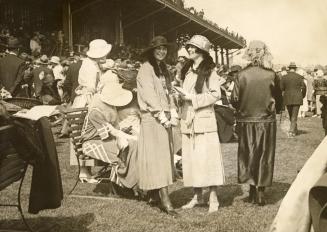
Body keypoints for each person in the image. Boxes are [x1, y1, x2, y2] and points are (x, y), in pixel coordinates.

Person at [178, 35, 226, 213]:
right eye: (189, 47)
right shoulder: (187, 71)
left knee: (209, 160)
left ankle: (213, 198)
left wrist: (193, 98)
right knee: (191, 160)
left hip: (204, 122)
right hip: (188, 121)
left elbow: (215, 95)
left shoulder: (211, 72)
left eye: (194, 48)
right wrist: (180, 96)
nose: (190, 50)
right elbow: (186, 94)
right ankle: (197, 196)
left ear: (202, 52)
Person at [231, 40, 282, 206]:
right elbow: (279, 99)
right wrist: (275, 109)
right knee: (264, 155)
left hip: (246, 120)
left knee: (248, 154)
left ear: (249, 53)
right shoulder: (272, 74)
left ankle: (253, 191)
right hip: (266, 120)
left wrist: (243, 108)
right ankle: (260, 193)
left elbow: (234, 99)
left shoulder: (241, 74)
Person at [136, 36, 178, 216]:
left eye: (164, 48)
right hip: (152, 117)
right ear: (152, 51)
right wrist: (161, 114)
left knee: (162, 155)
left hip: (164, 115)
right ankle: (165, 199)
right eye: (158, 48)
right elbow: (149, 95)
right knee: (158, 157)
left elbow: (169, 92)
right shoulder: (145, 69)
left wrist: (173, 110)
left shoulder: (163, 69)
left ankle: (154, 194)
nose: (162, 51)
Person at [80, 82, 138, 189]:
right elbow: (113, 131)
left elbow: (115, 130)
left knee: (132, 145)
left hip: (105, 138)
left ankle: (132, 179)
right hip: (92, 141)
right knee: (125, 148)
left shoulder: (110, 107)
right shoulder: (96, 111)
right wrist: (131, 137)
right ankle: (125, 182)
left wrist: (126, 134)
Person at [71, 39, 112, 181]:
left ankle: (85, 171)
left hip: (85, 101)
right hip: (86, 103)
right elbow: (90, 90)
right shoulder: (91, 67)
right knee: (85, 137)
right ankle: (84, 171)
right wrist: (93, 109)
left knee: (84, 137)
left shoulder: (91, 64)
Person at [72, 39, 112, 108]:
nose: (106, 55)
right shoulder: (90, 67)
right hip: (87, 101)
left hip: (87, 97)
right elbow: (91, 90)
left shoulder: (91, 62)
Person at [280, 62, 306, 137]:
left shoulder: (284, 77)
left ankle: (293, 130)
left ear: (289, 68)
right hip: (297, 97)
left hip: (288, 97)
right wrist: (302, 96)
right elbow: (304, 87)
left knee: (291, 115)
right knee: (294, 115)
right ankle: (293, 130)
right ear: (295, 69)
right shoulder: (300, 77)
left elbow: (281, 88)